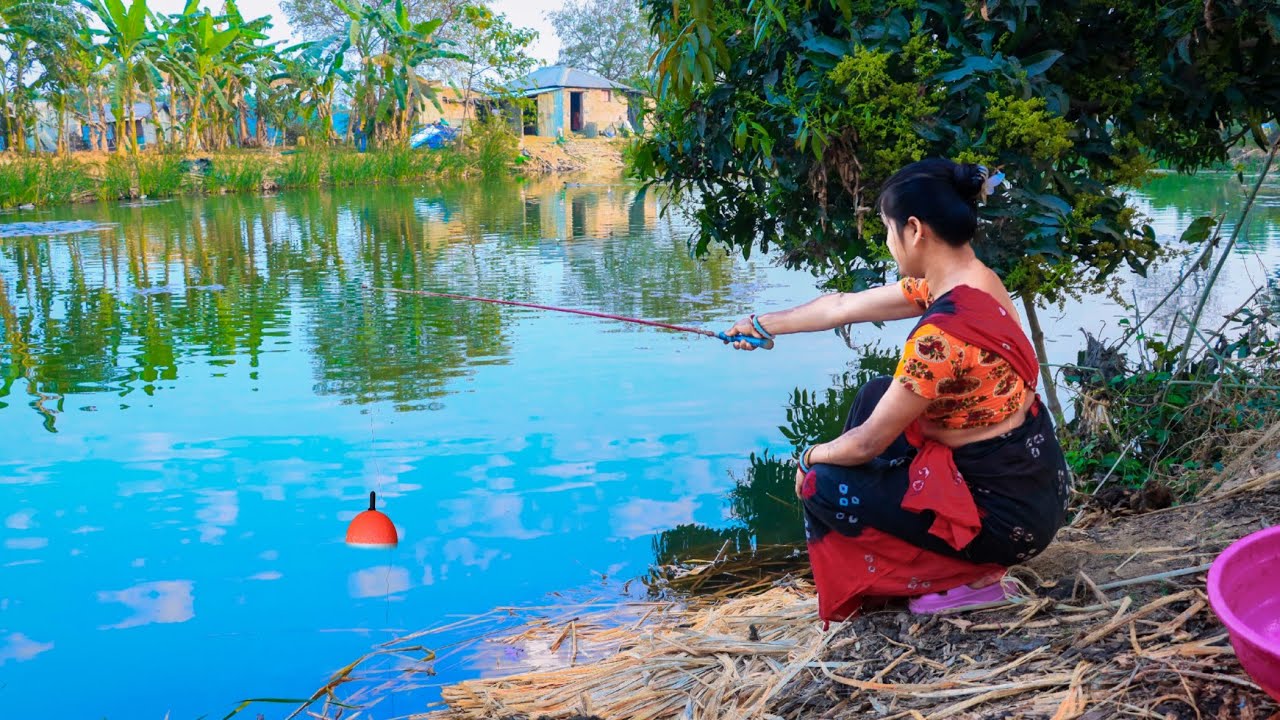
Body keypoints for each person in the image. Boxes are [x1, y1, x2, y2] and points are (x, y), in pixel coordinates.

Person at [725, 158, 1071, 621]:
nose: (888, 243)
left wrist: (808, 457)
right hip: (1037, 488)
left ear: (914, 229)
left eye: (888, 230)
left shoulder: (939, 338)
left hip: (1005, 523)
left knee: (821, 486)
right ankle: (934, 561)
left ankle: (961, 579)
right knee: (875, 393)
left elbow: (867, 443)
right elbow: (843, 307)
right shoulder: (975, 282)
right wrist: (762, 324)